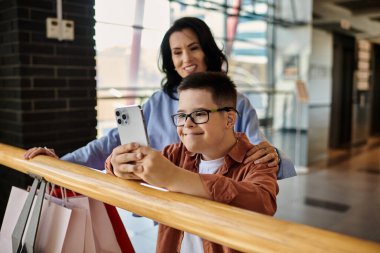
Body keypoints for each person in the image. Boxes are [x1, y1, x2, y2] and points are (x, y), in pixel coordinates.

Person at [24, 16, 296, 180]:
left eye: (193, 48)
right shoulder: (156, 103)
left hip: (218, 207)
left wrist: (274, 156)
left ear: (208, 51)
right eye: (177, 52)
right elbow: (109, 144)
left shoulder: (238, 103)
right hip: (165, 207)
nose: (186, 59)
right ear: (171, 60)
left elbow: (259, 150)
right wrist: (58, 163)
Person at [106, 72, 278, 253]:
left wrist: (174, 177)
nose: (187, 123)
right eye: (181, 116)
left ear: (229, 119)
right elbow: (123, 169)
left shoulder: (259, 160)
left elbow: (262, 203)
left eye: (200, 114)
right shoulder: (175, 154)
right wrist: (117, 165)